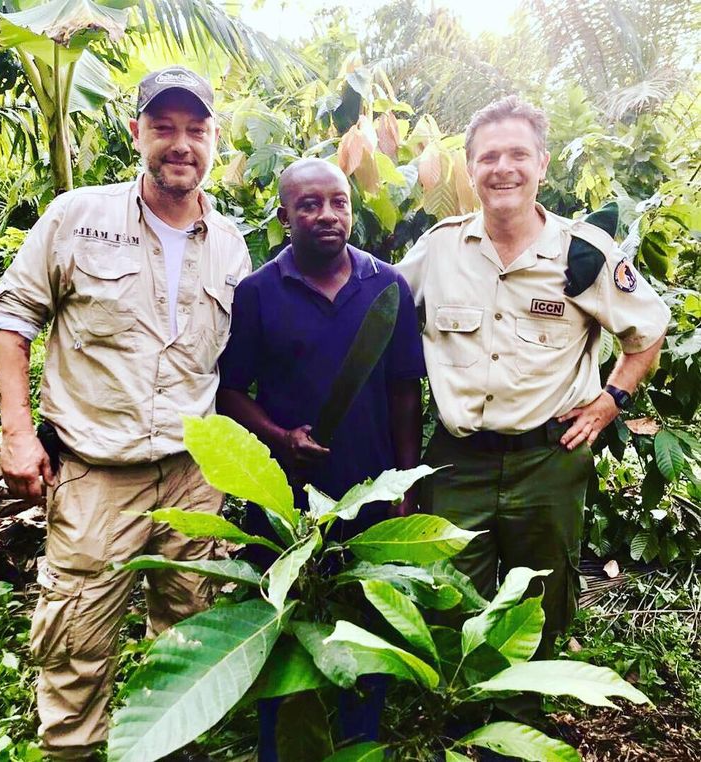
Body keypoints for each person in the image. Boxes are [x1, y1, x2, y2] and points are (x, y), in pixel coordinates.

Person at [0, 67, 251, 759]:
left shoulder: (230, 242)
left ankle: (173, 746)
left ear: (213, 139)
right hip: (98, 472)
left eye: (195, 129)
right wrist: (17, 433)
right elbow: (12, 317)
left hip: (195, 472)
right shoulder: (78, 216)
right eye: (163, 127)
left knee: (190, 632)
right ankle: (74, 750)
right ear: (136, 132)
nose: (180, 143)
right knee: (76, 638)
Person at [397, 95, 670, 659]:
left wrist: (610, 401)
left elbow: (647, 330)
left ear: (542, 164)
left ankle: (518, 726)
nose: (503, 169)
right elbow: (378, 313)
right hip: (459, 459)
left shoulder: (584, 253)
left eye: (518, 154)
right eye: (489, 157)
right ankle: (462, 717)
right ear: (469, 169)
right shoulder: (439, 249)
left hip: (547, 459)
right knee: (450, 594)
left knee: (538, 600)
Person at [217, 158, 425, 756]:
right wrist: (281, 438)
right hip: (287, 502)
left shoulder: (388, 286)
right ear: (284, 215)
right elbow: (231, 392)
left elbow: (404, 389)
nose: (326, 215)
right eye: (309, 204)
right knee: (287, 633)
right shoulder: (257, 294)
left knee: (368, 627)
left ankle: (360, 741)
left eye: (338, 202)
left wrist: (404, 482)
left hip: (371, 492)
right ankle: (278, 746)